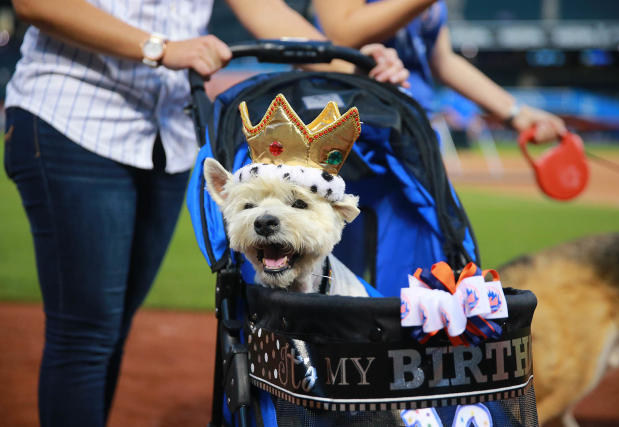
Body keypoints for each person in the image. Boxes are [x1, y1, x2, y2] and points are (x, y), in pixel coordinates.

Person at [3, 0, 409, 425]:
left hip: (166, 137)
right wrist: (158, 48)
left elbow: (266, 11)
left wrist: (359, 69)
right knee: (85, 334)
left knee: (110, 330)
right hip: (74, 117)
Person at [313, 0, 567, 142]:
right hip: (353, 133)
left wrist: (514, 111)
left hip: (414, 129)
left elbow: (441, 58)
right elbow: (341, 32)